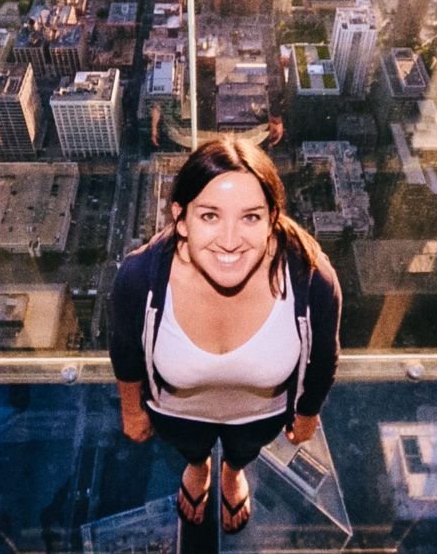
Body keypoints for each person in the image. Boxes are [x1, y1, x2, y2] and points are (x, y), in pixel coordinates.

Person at [110, 137, 341, 534]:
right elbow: (126, 352)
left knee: (243, 452)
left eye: (250, 217)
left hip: (260, 415)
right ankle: (198, 468)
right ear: (181, 218)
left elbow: (323, 359)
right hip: (177, 413)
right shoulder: (140, 279)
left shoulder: (311, 280)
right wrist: (132, 410)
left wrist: (307, 414)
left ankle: (233, 473)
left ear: (272, 217)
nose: (230, 241)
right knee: (192, 450)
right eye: (210, 216)